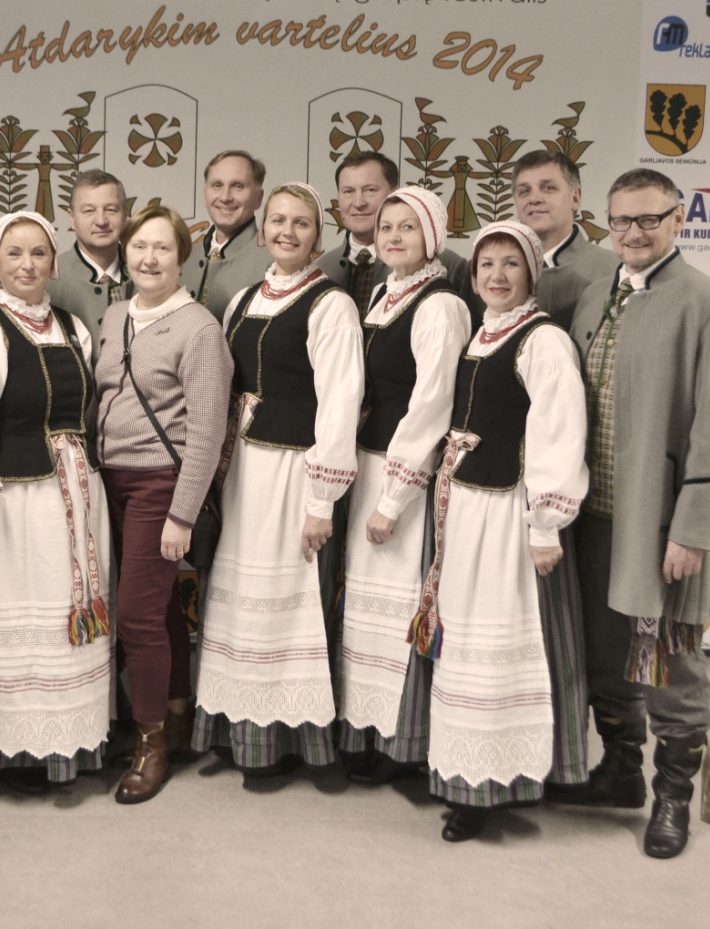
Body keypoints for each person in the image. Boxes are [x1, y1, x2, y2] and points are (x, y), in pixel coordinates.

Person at [568, 168, 710, 859]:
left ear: (679, 218)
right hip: (595, 516)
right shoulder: (596, 295)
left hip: (663, 523)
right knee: (606, 654)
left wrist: (693, 529)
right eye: (622, 220)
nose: (634, 233)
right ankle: (621, 772)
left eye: (649, 218)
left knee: (671, 663)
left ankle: (673, 795)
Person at [408, 220, 589, 841]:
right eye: (487, 263)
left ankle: (496, 781)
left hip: (510, 516)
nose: (497, 275)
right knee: (464, 643)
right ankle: (467, 773)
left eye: (511, 263)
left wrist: (546, 525)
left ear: (531, 274)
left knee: (505, 643)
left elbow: (558, 432)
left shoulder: (543, 341)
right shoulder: (482, 335)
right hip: (467, 510)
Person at [192, 182, 364, 773]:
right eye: (278, 221)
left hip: (294, 471)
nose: (287, 231)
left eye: (302, 223)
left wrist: (322, 500)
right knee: (239, 601)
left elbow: (340, 405)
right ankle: (239, 731)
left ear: (319, 238)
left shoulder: (331, 305)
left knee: (287, 601)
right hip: (243, 470)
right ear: (262, 230)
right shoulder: (242, 299)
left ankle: (289, 741)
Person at [0, 211, 113, 788]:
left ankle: (70, 744)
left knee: (70, 611)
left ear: (54, 262)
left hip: (77, 492)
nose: (27, 265)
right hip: (21, 497)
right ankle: (20, 748)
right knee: (27, 612)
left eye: (38, 253)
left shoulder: (72, 326)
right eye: (13, 254)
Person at [95, 205, 232, 802]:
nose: (149, 259)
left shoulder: (199, 328)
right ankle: (176, 713)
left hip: (159, 483)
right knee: (161, 607)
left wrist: (181, 513)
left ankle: (149, 741)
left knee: (136, 616)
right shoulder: (114, 314)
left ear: (182, 258)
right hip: (110, 480)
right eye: (140, 246)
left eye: (163, 249)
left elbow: (208, 431)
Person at [334, 187, 470, 781]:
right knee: (367, 606)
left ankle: (404, 741)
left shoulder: (440, 306)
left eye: (407, 227)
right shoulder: (386, 296)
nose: (393, 236)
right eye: (386, 226)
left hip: (406, 474)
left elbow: (431, 406)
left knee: (401, 604)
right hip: (370, 463)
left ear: (432, 238)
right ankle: (365, 730)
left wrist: (394, 499)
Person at [320, 152, 478, 323]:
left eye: (370, 190)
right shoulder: (322, 269)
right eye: (348, 191)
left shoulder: (448, 266)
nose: (358, 203)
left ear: (395, 195)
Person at [512, 150, 619, 331]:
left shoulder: (614, 270)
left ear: (575, 198)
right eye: (524, 191)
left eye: (548, 188)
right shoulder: (490, 274)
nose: (534, 199)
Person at [179, 150, 274, 320]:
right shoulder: (182, 257)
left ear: (259, 198)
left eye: (238, 186)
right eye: (217, 185)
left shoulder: (274, 262)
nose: (225, 197)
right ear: (205, 193)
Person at [47, 169, 133, 339]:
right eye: (89, 211)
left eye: (111, 210)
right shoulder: (49, 280)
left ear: (125, 214)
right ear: (72, 217)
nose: (101, 221)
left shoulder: (148, 274)